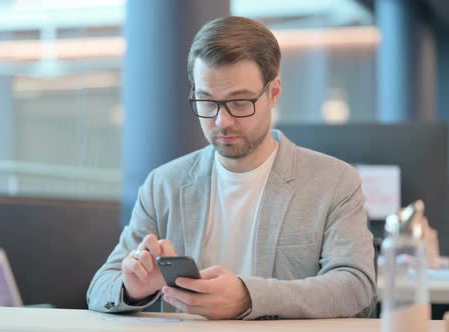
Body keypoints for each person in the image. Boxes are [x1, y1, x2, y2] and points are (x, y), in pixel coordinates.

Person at [87, 16, 377, 320]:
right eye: (207, 101)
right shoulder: (164, 185)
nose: (222, 121)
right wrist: (132, 288)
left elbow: (356, 288)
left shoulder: (334, 182)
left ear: (274, 92)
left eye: (239, 102)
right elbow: (101, 286)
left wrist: (249, 297)